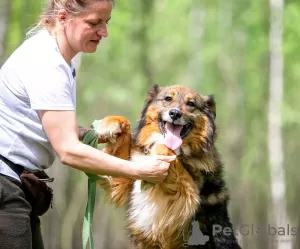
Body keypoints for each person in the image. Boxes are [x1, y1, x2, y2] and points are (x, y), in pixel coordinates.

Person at [0, 0, 175, 248]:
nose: (104, 32)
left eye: (106, 22)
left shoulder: (60, 59)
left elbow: (46, 126)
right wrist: (139, 171)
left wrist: (93, 134)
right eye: (94, 23)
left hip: (14, 183)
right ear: (62, 18)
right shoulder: (46, 64)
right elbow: (68, 151)